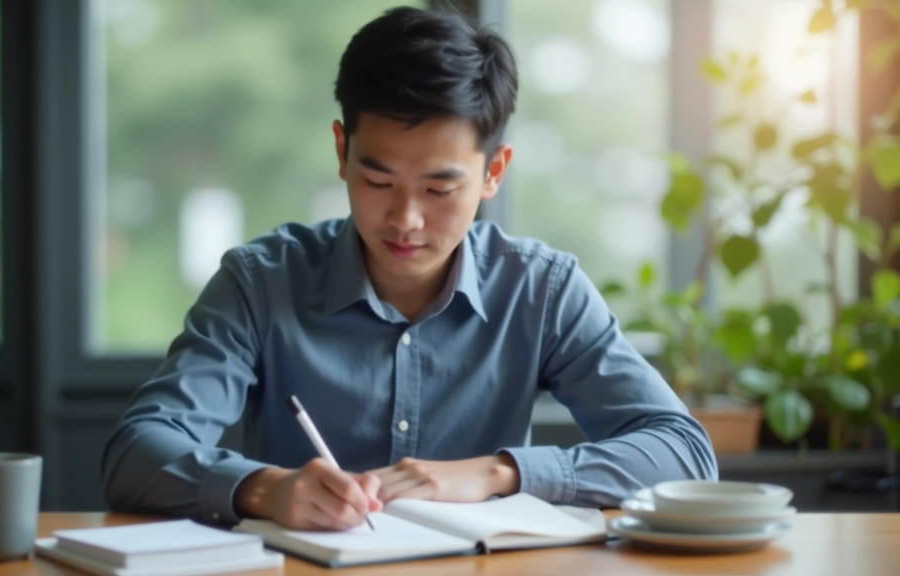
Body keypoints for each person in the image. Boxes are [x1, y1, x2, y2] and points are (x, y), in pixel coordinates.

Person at [101, 5, 717, 532]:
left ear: (493, 173)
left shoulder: (540, 290)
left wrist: (495, 473)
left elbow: (685, 452)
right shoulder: (261, 283)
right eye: (377, 179)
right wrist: (267, 490)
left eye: (440, 190)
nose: (406, 220)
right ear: (341, 151)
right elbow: (135, 451)